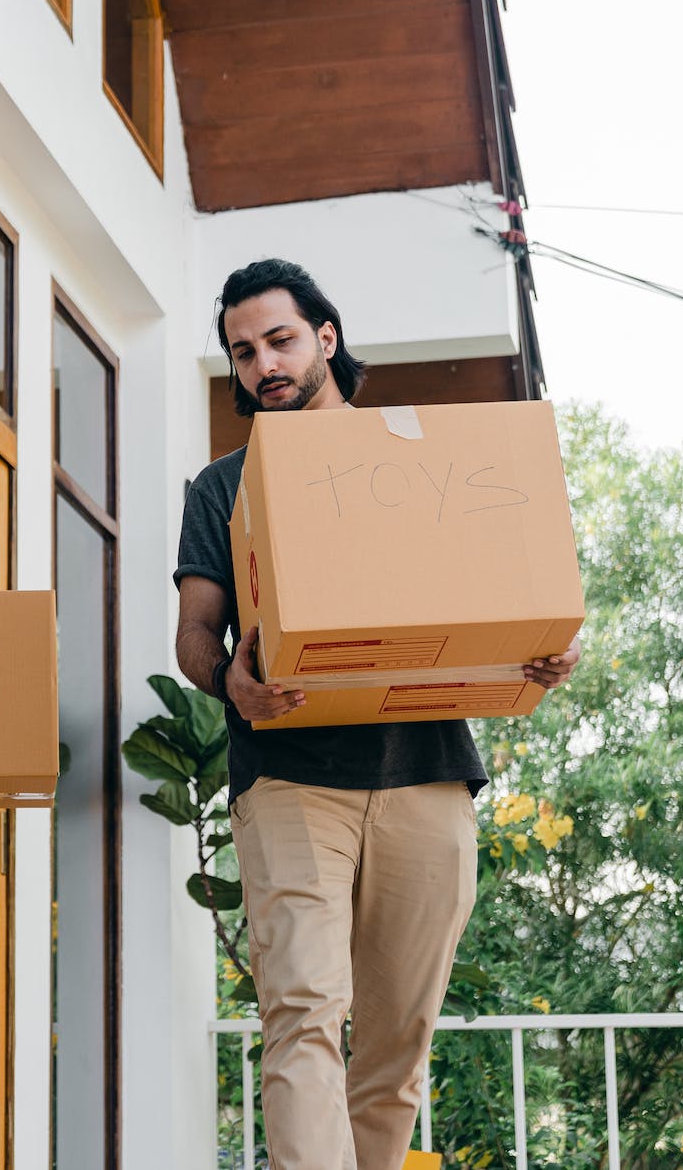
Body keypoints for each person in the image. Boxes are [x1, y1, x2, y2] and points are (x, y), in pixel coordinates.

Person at [172, 260, 579, 1170]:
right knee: (303, 1014)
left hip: (427, 772)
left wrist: (546, 645)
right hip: (288, 778)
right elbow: (196, 633)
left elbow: (512, 587)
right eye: (242, 352)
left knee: (396, 1042)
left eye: (279, 340)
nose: (261, 364)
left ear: (326, 336)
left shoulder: (422, 458)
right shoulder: (221, 486)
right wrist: (227, 679)